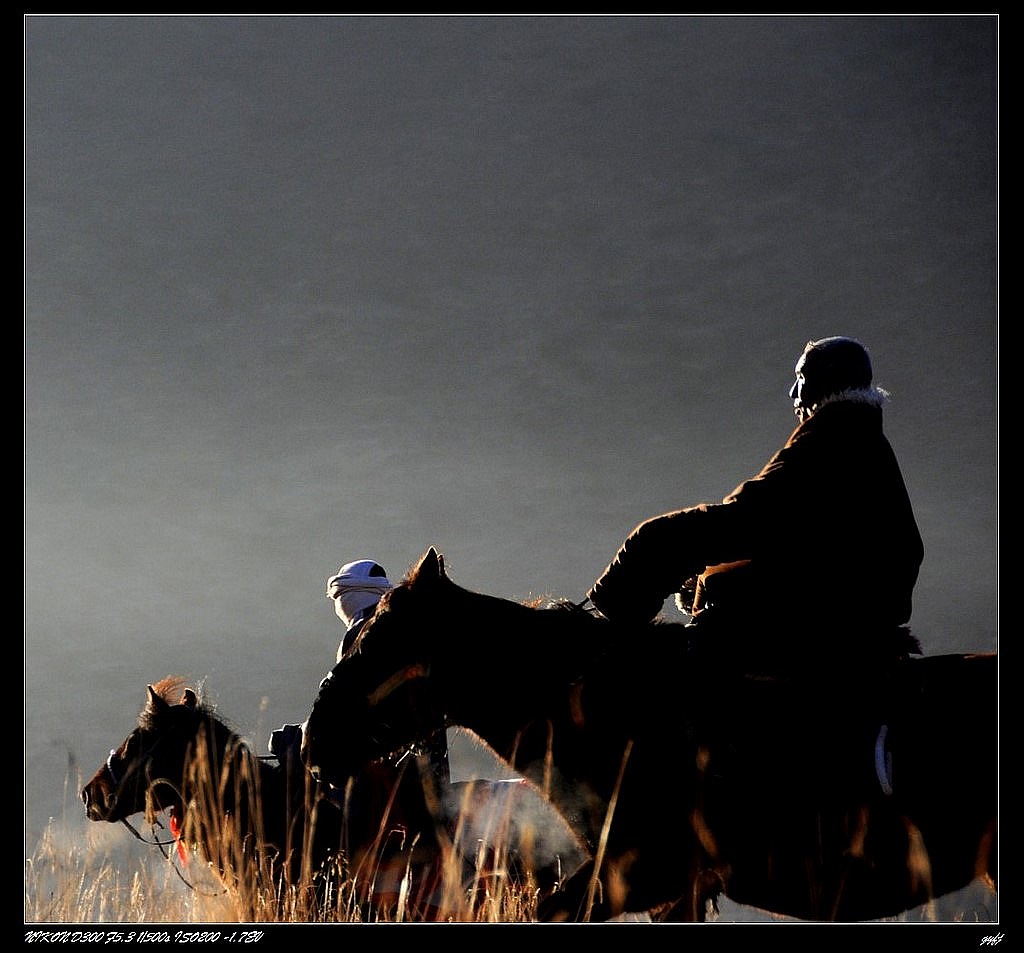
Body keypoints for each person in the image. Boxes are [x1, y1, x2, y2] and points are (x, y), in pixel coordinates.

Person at [586, 336, 925, 669]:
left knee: (671, 678)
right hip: (852, 618)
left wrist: (643, 552)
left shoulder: (830, 442)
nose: (793, 394)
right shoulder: (861, 440)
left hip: (806, 623)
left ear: (827, 383)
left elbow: (748, 521)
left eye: (802, 380)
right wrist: (707, 576)